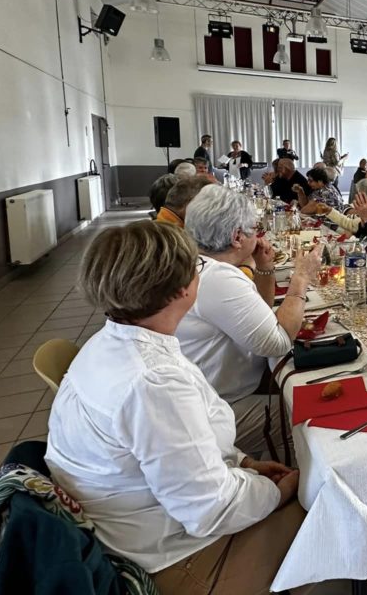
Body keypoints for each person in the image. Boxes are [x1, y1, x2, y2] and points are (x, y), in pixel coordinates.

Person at [45, 222, 304, 594]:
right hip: (171, 558)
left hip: (131, 528)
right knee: (329, 517)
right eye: (197, 267)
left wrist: (242, 463)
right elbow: (210, 510)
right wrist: (280, 492)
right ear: (184, 290)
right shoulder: (152, 381)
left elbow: (182, 447)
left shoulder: (110, 344)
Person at [175, 185, 321, 455]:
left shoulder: (199, 264)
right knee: (314, 422)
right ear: (237, 237)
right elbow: (278, 342)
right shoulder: (218, 278)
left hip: (204, 396)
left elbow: (261, 319)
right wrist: (301, 278)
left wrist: (265, 270)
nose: (260, 234)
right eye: (255, 228)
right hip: (217, 410)